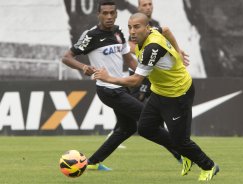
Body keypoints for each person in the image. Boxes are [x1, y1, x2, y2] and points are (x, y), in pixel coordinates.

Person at [93, 13, 219, 181]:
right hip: (160, 91)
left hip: (178, 93)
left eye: (136, 27)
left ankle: (209, 166)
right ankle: (186, 153)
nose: (132, 31)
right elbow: (166, 30)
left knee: (180, 140)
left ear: (146, 27)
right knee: (145, 128)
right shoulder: (153, 31)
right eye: (130, 27)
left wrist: (108, 78)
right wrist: (177, 51)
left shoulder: (152, 48)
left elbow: (136, 80)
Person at [62, 0, 182, 171]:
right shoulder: (91, 36)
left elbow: (130, 61)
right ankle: (181, 153)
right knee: (149, 119)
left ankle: (93, 162)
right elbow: (66, 57)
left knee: (127, 128)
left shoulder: (118, 33)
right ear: (99, 15)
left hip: (122, 87)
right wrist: (83, 67)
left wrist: (146, 73)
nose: (109, 16)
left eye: (112, 13)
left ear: (117, 14)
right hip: (108, 90)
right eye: (105, 13)